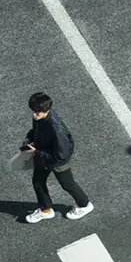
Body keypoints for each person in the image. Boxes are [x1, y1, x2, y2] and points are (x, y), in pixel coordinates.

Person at [22, 92, 93, 224]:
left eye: (37, 112)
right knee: (38, 182)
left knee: (67, 184)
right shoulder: (40, 116)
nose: (34, 114)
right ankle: (45, 210)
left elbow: (61, 155)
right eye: (33, 111)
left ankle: (85, 205)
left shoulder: (57, 130)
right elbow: (36, 130)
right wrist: (30, 139)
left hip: (57, 161)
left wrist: (37, 152)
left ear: (46, 110)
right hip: (43, 154)